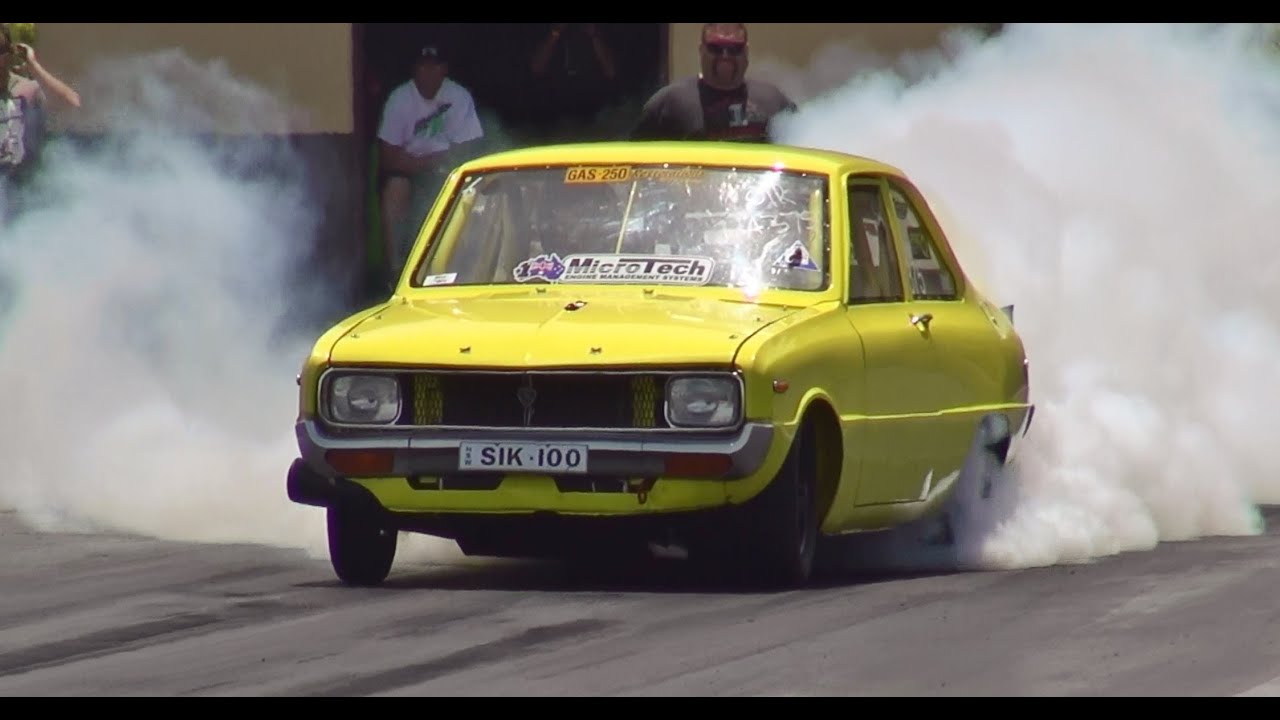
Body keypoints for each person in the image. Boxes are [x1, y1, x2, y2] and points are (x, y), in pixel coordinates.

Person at [375, 43, 484, 284]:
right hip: (410, 172)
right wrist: (425, 164)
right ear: (415, 70)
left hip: (448, 172)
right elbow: (388, 156)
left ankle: (460, 272)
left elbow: (467, 150)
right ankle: (394, 272)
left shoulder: (458, 96)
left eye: (434, 68)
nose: (428, 74)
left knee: (470, 191)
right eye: (423, 68)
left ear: (444, 69)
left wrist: (437, 164)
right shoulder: (400, 98)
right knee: (395, 188)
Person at [630, 23, 795, 143]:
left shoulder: (773, 101)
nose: (725, 55)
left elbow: (803, 146)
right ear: (701, 50)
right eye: (716, 48)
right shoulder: (670, 102)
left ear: (746, 52)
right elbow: (638, 160)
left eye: (734, 49)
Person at [0, 23, 80, 222]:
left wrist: (33, 66)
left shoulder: (26, 89)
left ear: (9, 53)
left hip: (26, 189)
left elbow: (71, 102)